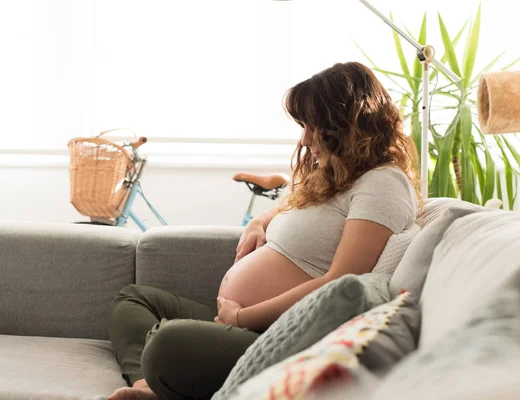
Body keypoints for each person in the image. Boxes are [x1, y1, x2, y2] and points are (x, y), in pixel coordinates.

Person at [107, 61, 419, 400]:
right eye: (304, 126)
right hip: (235, 321)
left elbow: (341, 280)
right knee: (132, 298)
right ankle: (146, 387)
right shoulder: (332, 176)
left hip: (276, 336)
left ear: (350, 125)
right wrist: (258, 222)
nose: (306, 139)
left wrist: (242, 317)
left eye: (316, 127)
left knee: (167, 343)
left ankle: (161, 374)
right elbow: (287, 210)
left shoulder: (383, 184)